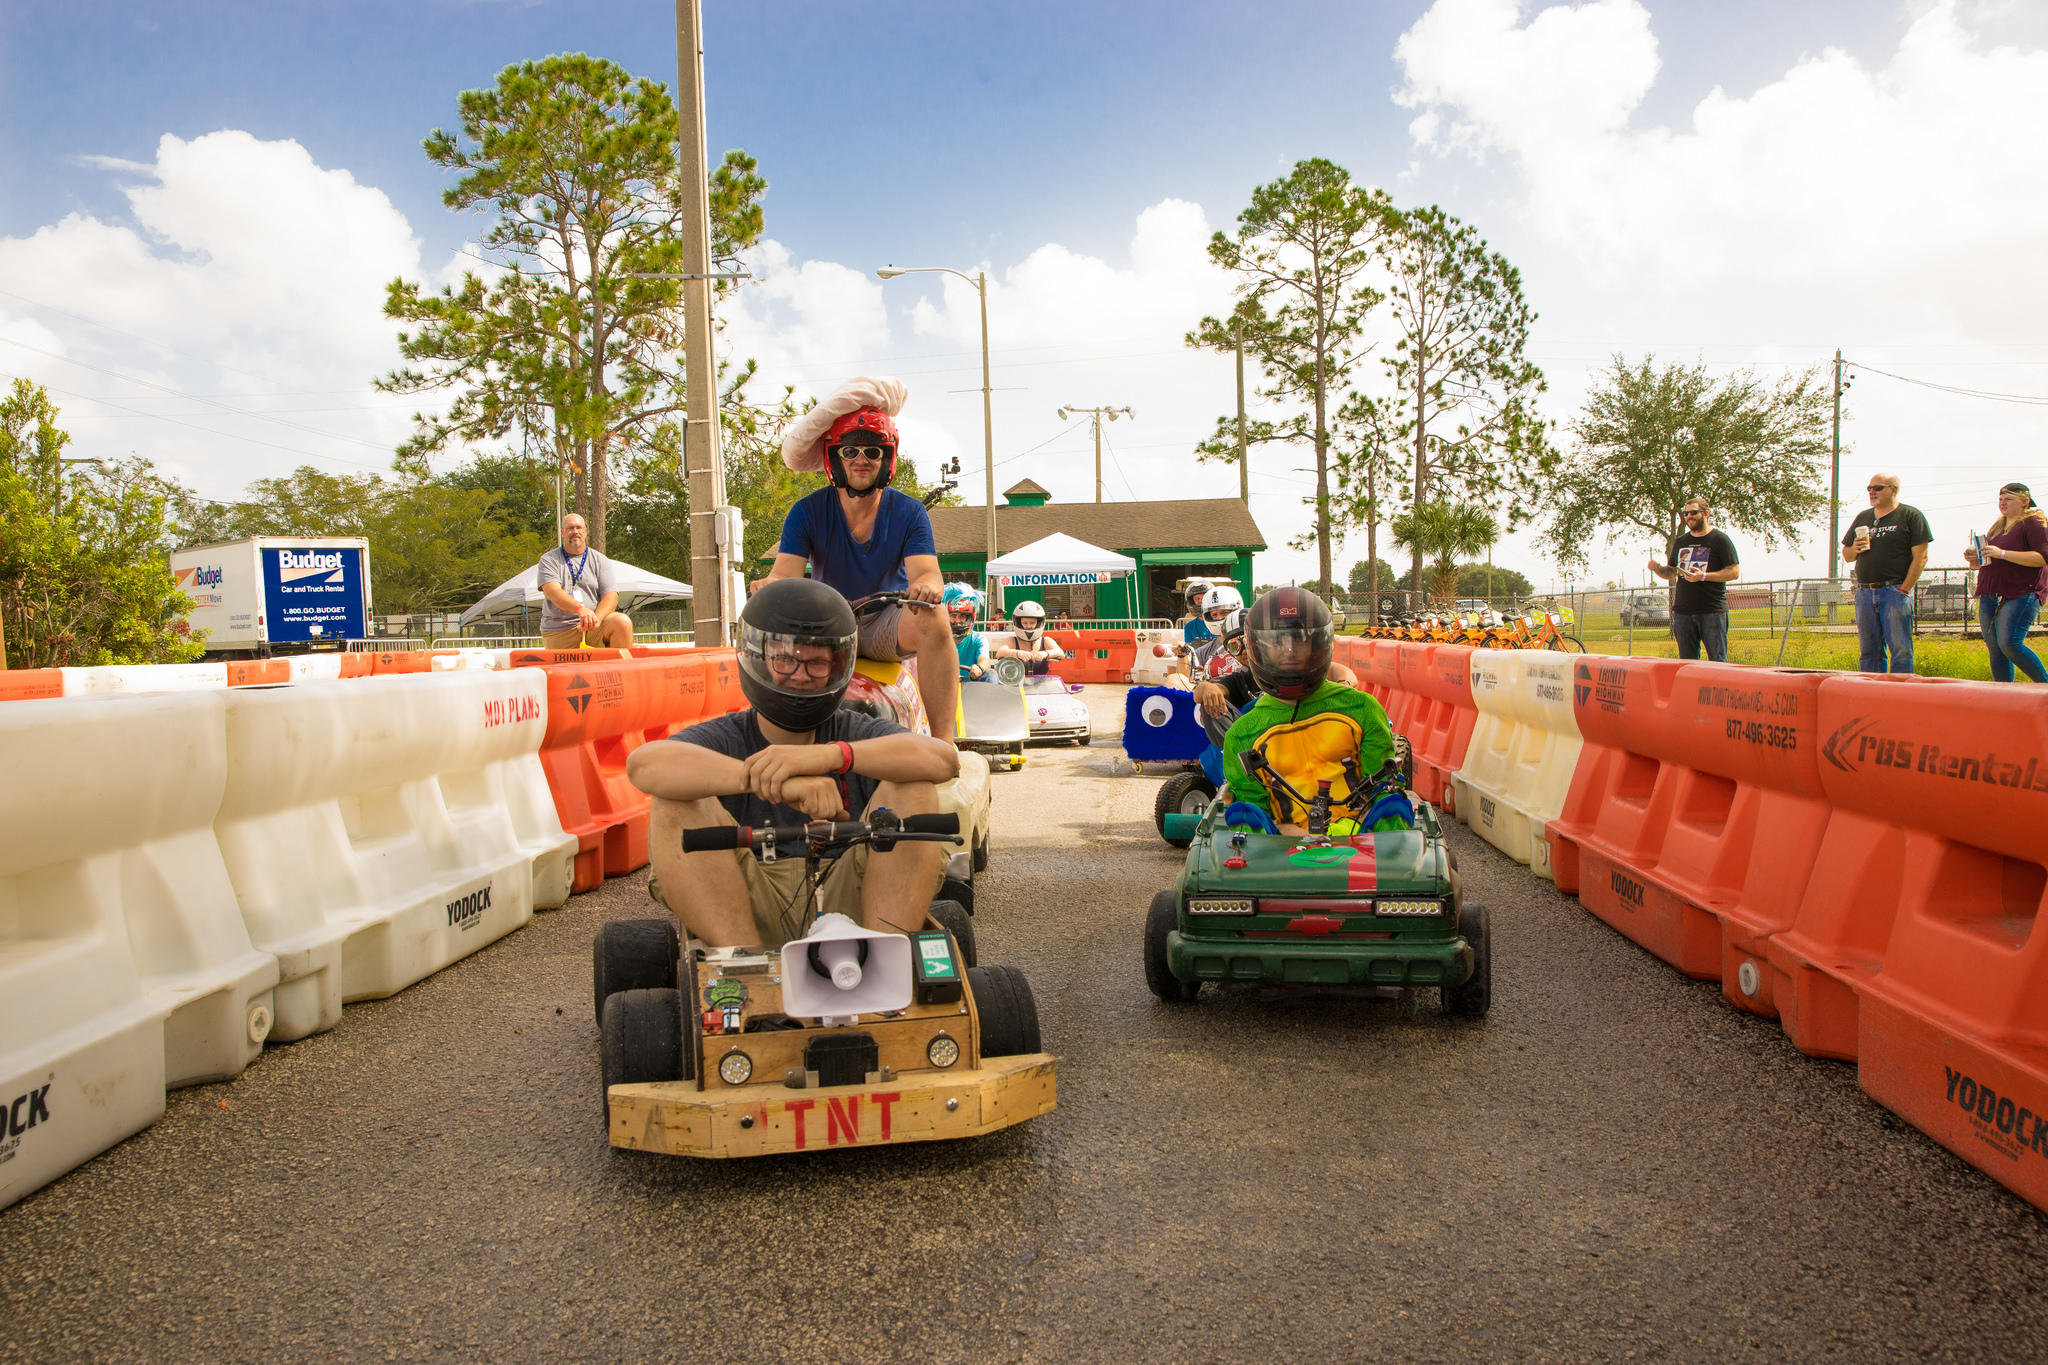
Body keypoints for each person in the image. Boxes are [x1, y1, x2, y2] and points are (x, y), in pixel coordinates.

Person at [626, 578, 960, 948]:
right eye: (785, 659)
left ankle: (885, 960)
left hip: (854, 905)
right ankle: (746, 971)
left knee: (913, 785)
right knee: (673, 800)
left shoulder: (854, 730)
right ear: (759, 658)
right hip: (744, 904)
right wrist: (776, 781)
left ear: (838, 666)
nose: (799, 675)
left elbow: (942, 759)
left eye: (817, 663)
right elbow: (643, 766)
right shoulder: (727, 737)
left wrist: (829, 755)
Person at [766, 377, 958, 736]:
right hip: (829, 625)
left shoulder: (909, 511)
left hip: (886, 622)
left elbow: (928, 574)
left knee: (935, 618)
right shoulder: (806, 511)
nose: (861, 459)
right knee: (767, 623)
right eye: (850, 450)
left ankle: (944, 746)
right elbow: (784, 576)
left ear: (888, 459)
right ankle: (779, 738)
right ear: (833, 456)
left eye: (873, 451)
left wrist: (929, 588)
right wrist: (769, 585)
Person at [1220, 588, 1407, 838]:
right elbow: (1252, 802)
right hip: (1280, 842)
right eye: (1277, 641)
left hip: (1361, 832)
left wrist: (1355, 829)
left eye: (1299, 639)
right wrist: (1283, 831)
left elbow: (1381, 784)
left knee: (1394, 804)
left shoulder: (1361, 707)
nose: (1288, 650)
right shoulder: (1243, 733)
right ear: (1257, 647)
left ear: (1318, 643)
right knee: (1241, 814)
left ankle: (1394, 866)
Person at [1842, 472, 1934, 674]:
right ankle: (1871, 696)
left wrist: (1903, 590)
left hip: (1894, 590)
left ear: (1893, 489)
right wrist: (1855, 548)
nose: (1872, 492)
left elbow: (1921, 558)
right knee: (1869, 651)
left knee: (1900, 650)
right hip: (1865, 592)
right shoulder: (1863, 517)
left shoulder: (1910, 515)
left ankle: (1900, 697)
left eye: (1878, 488)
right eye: (1869, 488)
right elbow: (1847, 555)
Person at [1963, 482, 2048, 684]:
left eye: (2008, 499)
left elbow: (2043, 557)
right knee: (1995, 647)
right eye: (2000, 499)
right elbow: (1990, 563)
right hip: (1990, 591)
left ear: (2025, 501)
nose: (2002, 503)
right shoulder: (1997, 526)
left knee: (2010, 643)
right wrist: (1975, 559)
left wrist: (2001, 553)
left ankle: (2044, 686)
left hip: (2021, 591)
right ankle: (2003, 695)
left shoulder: (2033, 522)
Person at [1646, 496, 1740, 661]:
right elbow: (1672, 571)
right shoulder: (1681, 541)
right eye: (1686, 513)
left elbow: (1734, 571)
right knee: (1687, 663)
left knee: (1717, 661)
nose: (1689, 516)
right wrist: (1658, 569)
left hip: (1712, 611)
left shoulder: (1720, 540)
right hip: (1684, 612)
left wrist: (1703, 576)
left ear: (1706, 514)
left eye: (1694, 512)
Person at [537, 513, 634, 650]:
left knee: (622, 622)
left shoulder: (600, 560)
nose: (575, 532)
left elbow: (611, 595)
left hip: (592, 628)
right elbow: (553, 592)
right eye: (570, 528)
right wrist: (579, 609)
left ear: (585, 531)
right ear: (562, 532)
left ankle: (620, 670)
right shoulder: (549, 560)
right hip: (560, 631)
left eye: (578, 527)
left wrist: (597, 619)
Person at [997, 600, 1067, 675]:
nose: (1029, 626)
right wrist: (1017, 653)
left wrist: (1045, 653)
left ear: (1039, 623)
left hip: (1041, 684)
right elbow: (1000, 653)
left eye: (1032, 623)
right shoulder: (1012, 640)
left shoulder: (1045, 640)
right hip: (1018, 685)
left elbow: (1060, 653)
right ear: (1018, 623)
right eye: (1025, 623)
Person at [945, 584, 993, 680]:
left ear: (970, 618)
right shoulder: (936, 640)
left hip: (972, 690)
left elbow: (984, 659)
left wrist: (980, 668)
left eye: (962, 616)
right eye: (953, 616)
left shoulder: (978, 639)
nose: (957, 621)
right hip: (942, 688)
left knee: (991, 674)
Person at [1179, 578, 1218, 643]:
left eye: (1204, 597)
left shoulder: (1220, 622)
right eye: (1197, 598)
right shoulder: (1189, 626)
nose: (1201, 601)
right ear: (1192, 601)